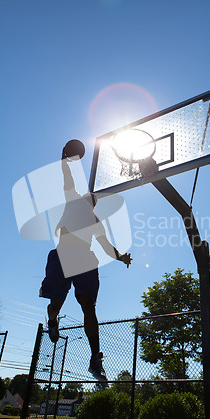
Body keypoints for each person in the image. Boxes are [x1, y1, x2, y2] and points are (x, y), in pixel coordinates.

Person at [39, 142, 132, 381]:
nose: (90, 199)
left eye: (93, 200)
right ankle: (52, 319)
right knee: (56, 304)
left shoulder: (95, 221)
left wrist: (120, 257)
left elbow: (106, 246)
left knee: (88, 305)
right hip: (62, 255)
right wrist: (64, 159)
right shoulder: (72, 200)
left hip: (84, 259)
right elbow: (67, 179)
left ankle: (95, 359)